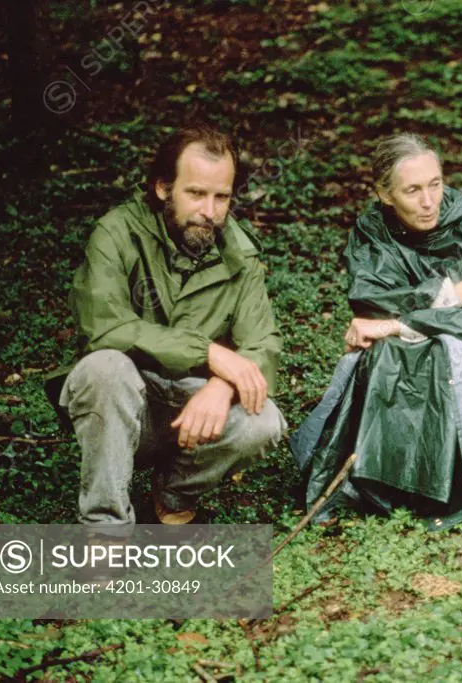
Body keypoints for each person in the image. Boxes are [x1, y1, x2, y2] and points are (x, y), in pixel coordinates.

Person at [291, 133, 462, 530]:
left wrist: (399, 323)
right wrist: (456, 292)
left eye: (435, 184)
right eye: (412, 190)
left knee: (434, 351)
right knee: (389, 354)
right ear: (384, 193)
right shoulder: (371, 235)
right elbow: (372, 303)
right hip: (395, 353)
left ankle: (435, 481)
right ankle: (381, 478)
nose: (429, 201)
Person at [46, 123, 286, 531]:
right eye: (196, 193)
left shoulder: (238, 252)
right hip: (123, 405)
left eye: (221, 197)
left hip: (192, 412)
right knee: (104, 368)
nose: (209, 212)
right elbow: (105, 327)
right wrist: (208, 353)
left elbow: (262, 344)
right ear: (162, 188)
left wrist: (222, 384)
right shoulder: (116, 233)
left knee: (263, 421)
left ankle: (174, 489)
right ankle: (105, 527)